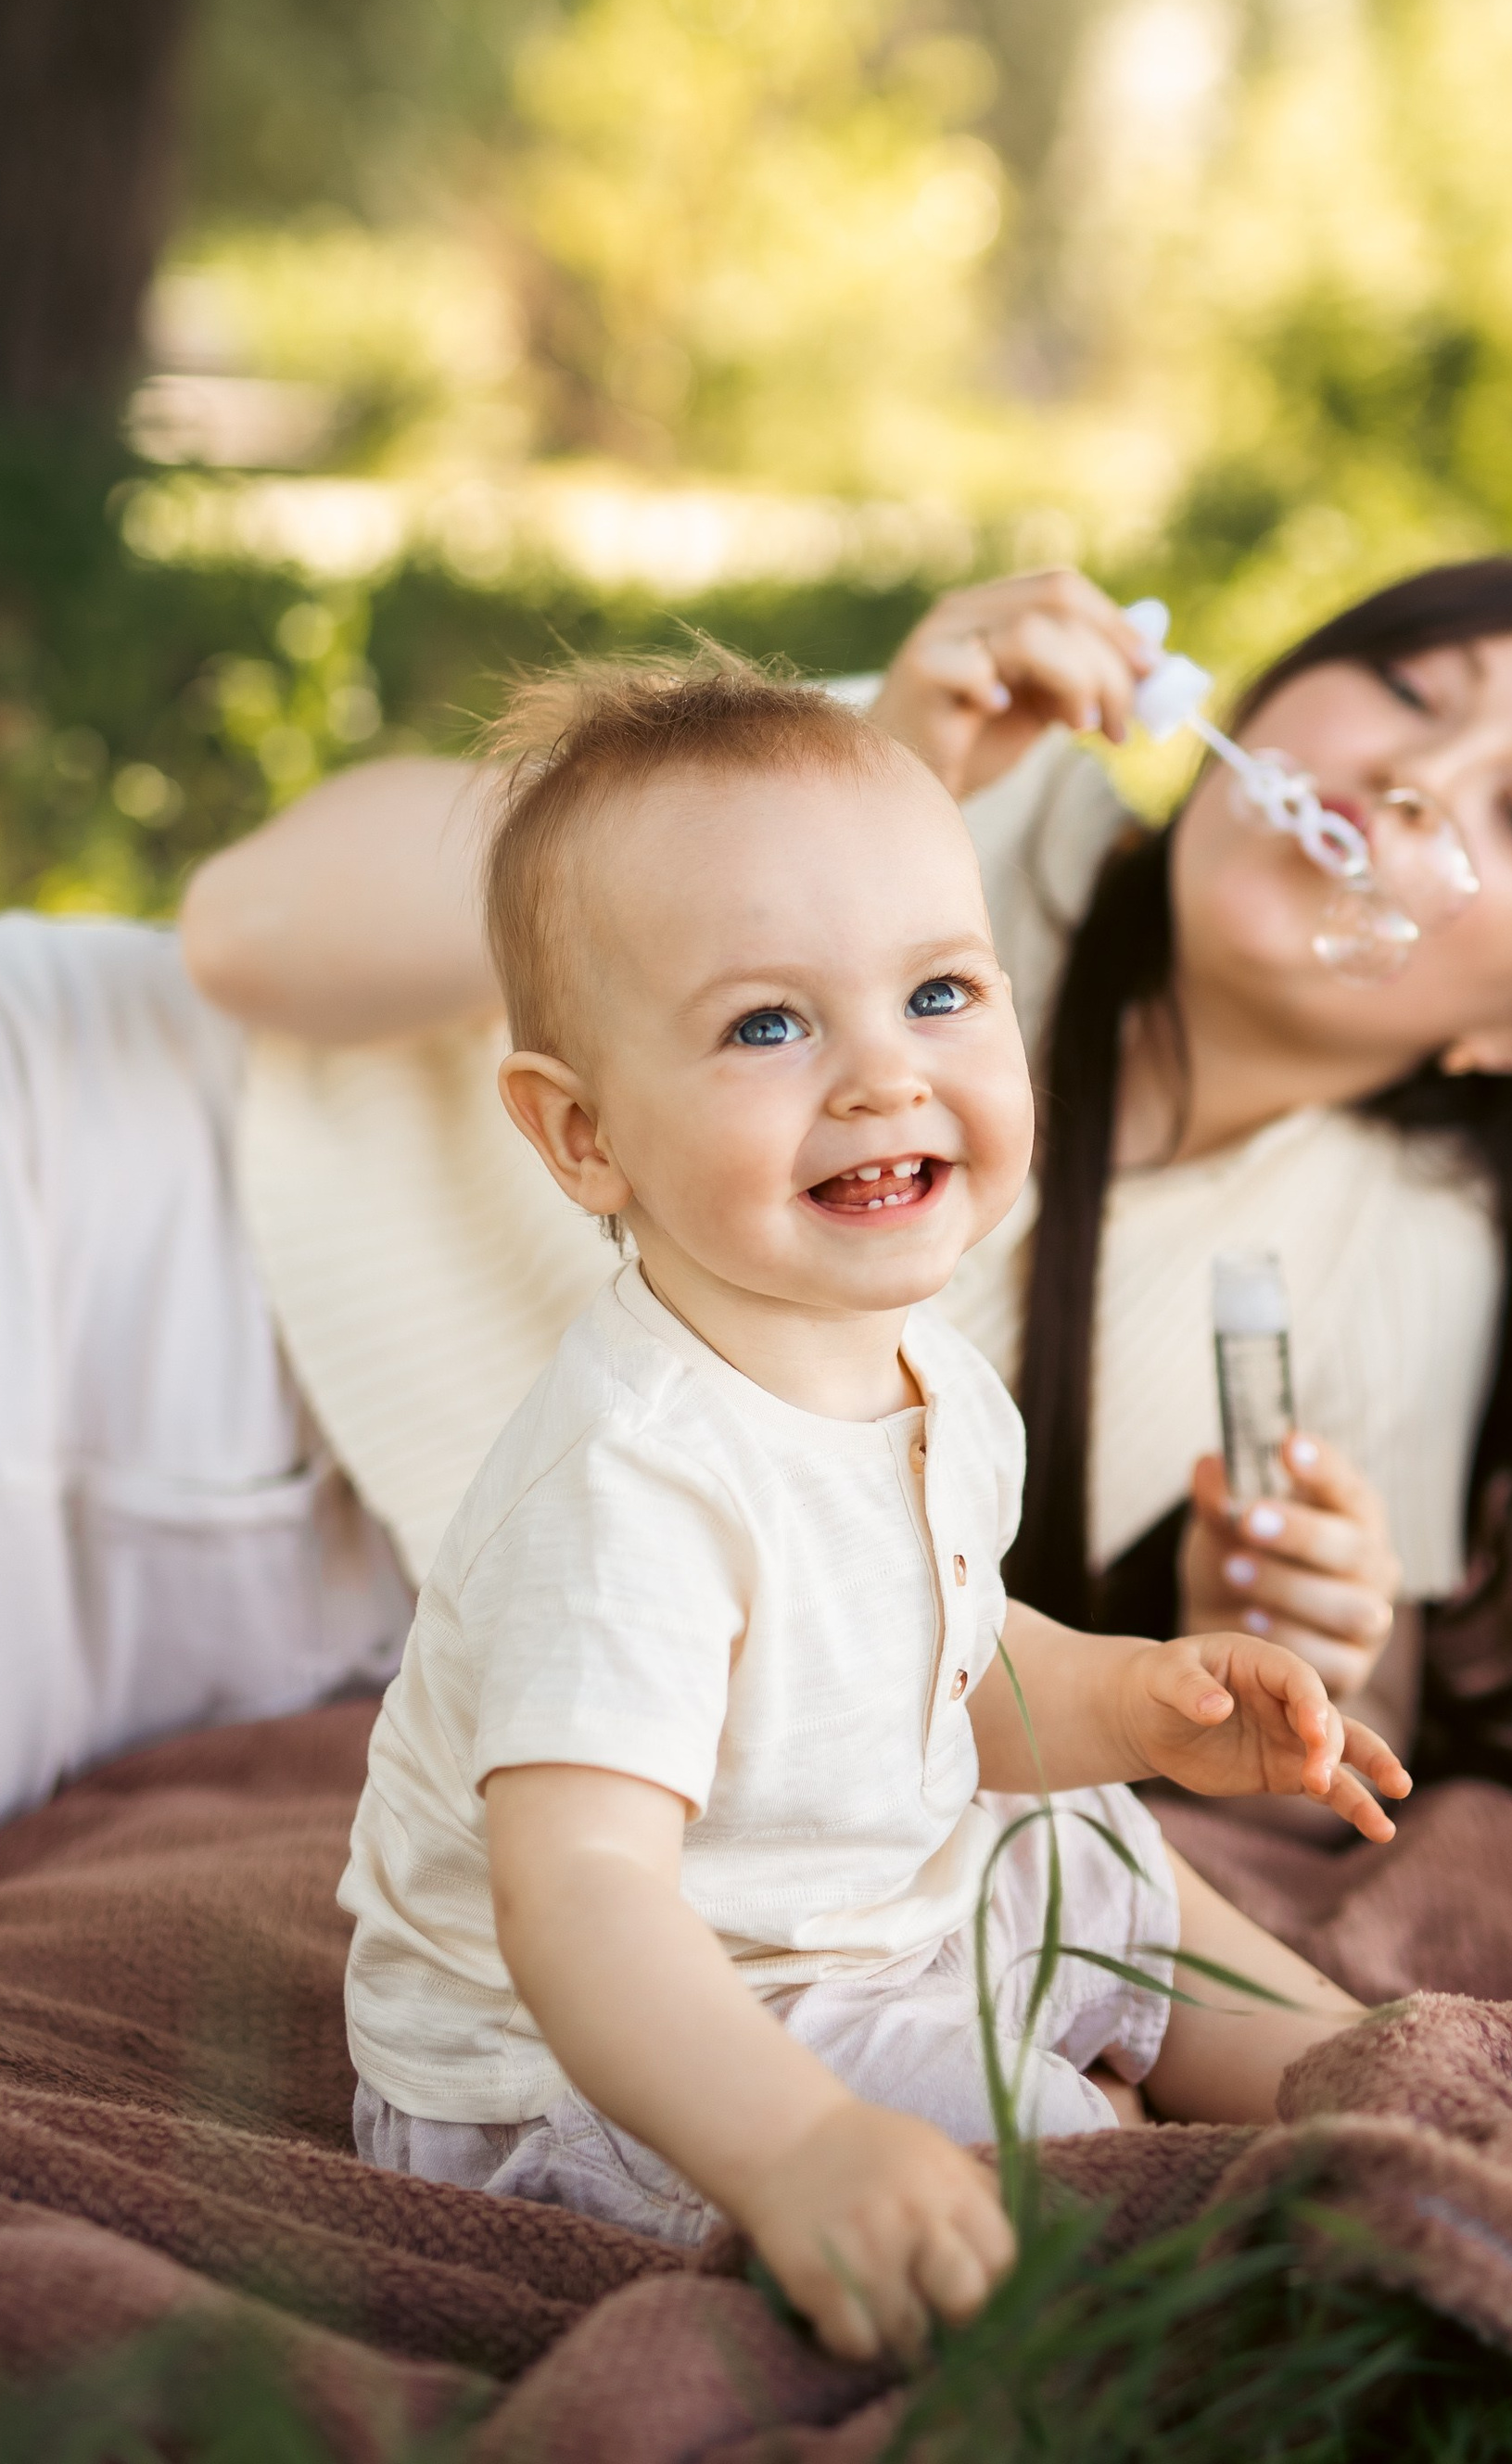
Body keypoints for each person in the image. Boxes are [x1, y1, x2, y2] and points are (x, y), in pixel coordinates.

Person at [0, 550, 1512, 1973]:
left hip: (214, 1602)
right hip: (98, 1172)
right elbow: (247, 931)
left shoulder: (1398, 1259)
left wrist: (1293, 1639)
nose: (1408, 777)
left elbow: (1309, 1696)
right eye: (1406, 689)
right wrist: (848, 769)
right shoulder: (939, 808)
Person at [340, 655, 1406, 2357]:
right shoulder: (632, 1484)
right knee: (1029, 2163)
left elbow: (944, 1666)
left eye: (940, 996)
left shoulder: (918, 1374)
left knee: (1088, 1842)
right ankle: (1173, 2227)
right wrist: (804, 2148)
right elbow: (584, 1901)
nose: (881, 1078)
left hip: (839, 1912)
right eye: (770, 1023)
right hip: (606, 2066)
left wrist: (1141, 1701)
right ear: (583, 1135)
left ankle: (1389, 2087)